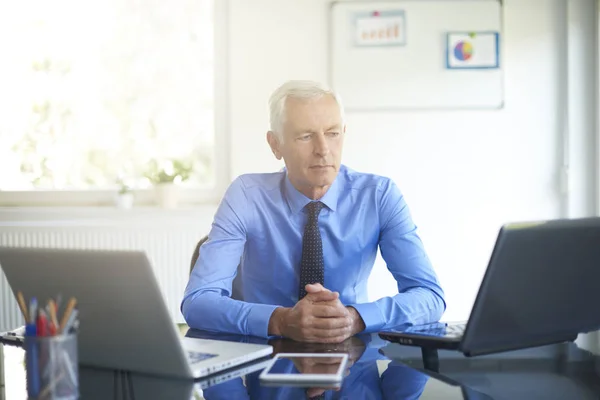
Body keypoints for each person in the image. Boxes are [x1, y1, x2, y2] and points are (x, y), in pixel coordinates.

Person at [181, 80, 445, 343]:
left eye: (332, 133)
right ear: (275, 144)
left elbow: (429, 296)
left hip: (352, 355)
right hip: (264, 355)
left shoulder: (379, 195)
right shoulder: (246, 195)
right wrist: (281, 320)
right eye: (305, 136)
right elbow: (198, 302)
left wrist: (355, 318)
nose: (323, 150)